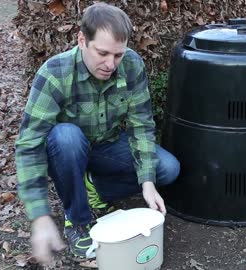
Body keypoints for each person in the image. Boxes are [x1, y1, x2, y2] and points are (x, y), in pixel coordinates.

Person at [15, 3, 180, 264]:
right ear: (82, 40)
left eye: (118, 55)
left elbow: (141, 124)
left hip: (108, 147)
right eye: (102, 53)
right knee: (66, 137)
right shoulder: (54, 73)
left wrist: (147, 182)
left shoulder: (132, 65)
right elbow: (29, 144)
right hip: (67, 152)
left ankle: (93, 188)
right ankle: (77, 219)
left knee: (168, 168)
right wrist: (39, 215)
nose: (110, 64)